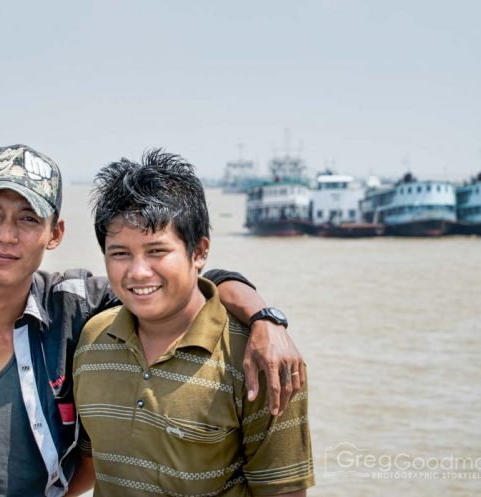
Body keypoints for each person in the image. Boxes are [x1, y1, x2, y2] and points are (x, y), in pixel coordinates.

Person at [0, 144, 305, 497]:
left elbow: (178, 283)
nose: (6, 235)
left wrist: (265, 319)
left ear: (55, 234)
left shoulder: (76, 309)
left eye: (29, 218)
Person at [73, 149, 314, 496]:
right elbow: (91, 464)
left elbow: (284, 491)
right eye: (120, 253)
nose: (138, 272)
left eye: (157, 251)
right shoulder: (94, 339)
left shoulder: (259, 358)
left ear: (199, 252)